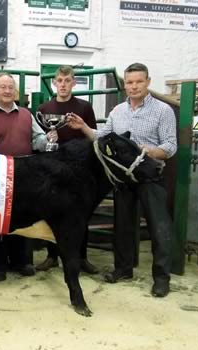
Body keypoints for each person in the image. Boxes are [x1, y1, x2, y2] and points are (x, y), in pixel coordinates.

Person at [67, 62, 177, 297]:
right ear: (124, 84)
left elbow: (170, 146)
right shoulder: (118, 112)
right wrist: (84, 127)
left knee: (159, 226)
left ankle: (161, 278)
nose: (134, 86)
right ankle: (124, 269)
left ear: (148, 82)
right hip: (124, 177)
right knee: (123, 225)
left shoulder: (162, 111)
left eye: (139, 81)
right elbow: (103, 137)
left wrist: (146, 151)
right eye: (130, 82)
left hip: (150, 175)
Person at [0, 72, 55, 281]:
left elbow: (37, 140)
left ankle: (23, 262)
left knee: (23, 220)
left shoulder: (27, 115)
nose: (8, 91)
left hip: (25, 179)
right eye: (3, 87)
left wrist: (47, 140)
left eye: (11, 87)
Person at [34, 65, 98, 275]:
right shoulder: (43, 109)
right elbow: (39, 139)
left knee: (81, 215)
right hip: (52, 169)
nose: (63, 84)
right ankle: (52, 256)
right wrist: (48, 139)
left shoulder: (85, 107)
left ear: (74, 82)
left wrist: (82, 127)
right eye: (59, 80)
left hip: (79, 170)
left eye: (67, 80)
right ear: (54, 82)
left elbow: (92, 137)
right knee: (52, 213)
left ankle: (82, 258)